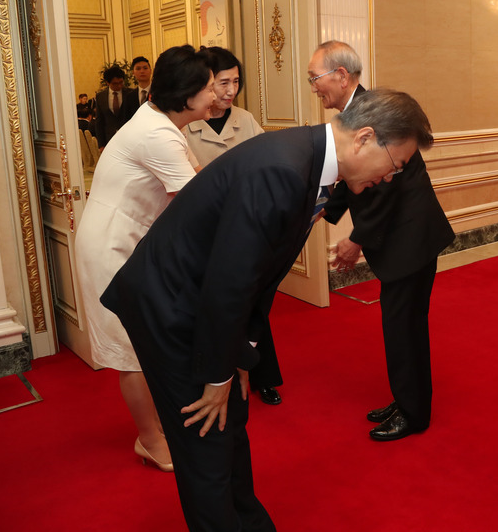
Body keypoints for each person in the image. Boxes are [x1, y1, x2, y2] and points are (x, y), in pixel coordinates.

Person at [100, 89, 434, 532]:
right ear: (365, 139)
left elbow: (258, 274)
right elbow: (229, 282)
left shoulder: (310, 163)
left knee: (231, 421)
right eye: (395, 164)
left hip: (205, 300)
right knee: (204, 440)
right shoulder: (282, 169)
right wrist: (218, 372)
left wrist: (242, 354)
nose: (391, 177)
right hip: (171, 303)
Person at [75, 45, 216, 473]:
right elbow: (196, 203)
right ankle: (150, 440)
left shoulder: (164, 124)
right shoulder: (157, 134)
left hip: (133, 243)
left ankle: (159, 427)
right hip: (111, 247)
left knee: (149, 343)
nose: (217, 95)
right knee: (131, 351)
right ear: (185, 94)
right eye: (209, 87)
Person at [309, 40, 454, 441]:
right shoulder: (356, 113)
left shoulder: (377, 113)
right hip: (397, 237)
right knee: (400, 326)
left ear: (341, 75)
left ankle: (414, 412)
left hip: (409, 238)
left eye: (314, 78)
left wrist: (354, 238)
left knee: (403, 327)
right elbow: (351, 176)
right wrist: (321, 208)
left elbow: (384, 185)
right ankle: (404, 397)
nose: (313, 86)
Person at [183, 46, 284, 407]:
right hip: (206, 231)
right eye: (222, 82)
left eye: (235, 82)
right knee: (214, 306)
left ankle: (263, 376)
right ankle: (212, 375)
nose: (229, 91)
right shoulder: (187, 122)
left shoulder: (245, 118)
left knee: (254, 304)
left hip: (247, 228)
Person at [94, 65, 137, 149]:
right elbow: (99, 122)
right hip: (109, 139)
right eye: (115, 84)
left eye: (121, 82)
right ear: (107, 83)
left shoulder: (131, 94)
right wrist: (101, 145)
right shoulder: (101, 96)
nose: (119, 86)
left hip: (129, 138)